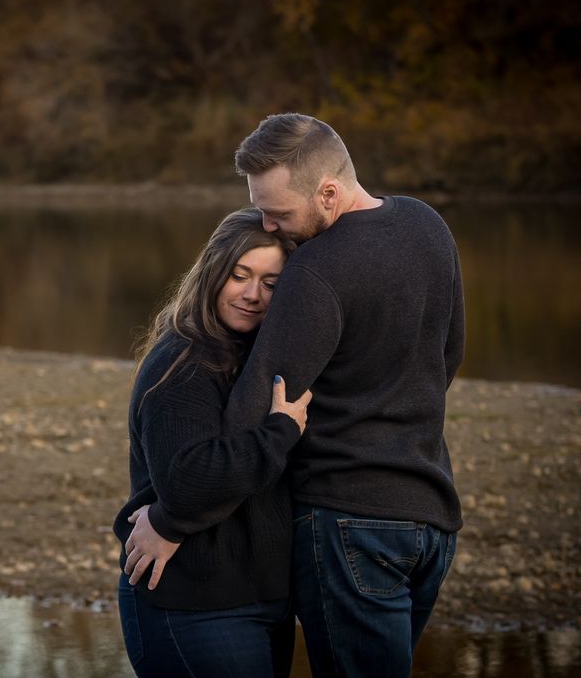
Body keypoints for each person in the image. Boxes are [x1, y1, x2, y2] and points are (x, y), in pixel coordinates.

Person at [222, 113, 466, 677]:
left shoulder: (317, 269)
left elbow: (255, 408)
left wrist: (173, 511)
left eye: (278, 213)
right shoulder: (428, 224)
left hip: (347, 524)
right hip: (432, 520)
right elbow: (447, 357)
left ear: (328, 193)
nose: (268, 225)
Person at [114, 207, 312, 678]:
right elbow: (190, 480)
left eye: (271, 283)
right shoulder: (183, 361)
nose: (252, 295)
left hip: (263, 600)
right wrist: (280, 431)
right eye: (240, 275)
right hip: (193, 605)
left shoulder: (257, 357)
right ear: (213, 272)